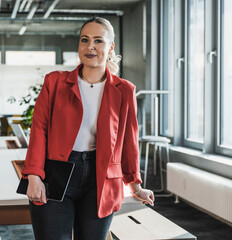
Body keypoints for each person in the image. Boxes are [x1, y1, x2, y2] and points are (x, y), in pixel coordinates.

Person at [21, 17, 155, 240]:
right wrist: (33, 175)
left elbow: (128, 141)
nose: (90, 46)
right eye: (85, 40)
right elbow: (39, 129)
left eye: (98, 41)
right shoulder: (54, 82)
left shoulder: (124, 90)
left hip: (101, 178)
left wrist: (135, 185)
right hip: (56, 173)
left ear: (110, 47)